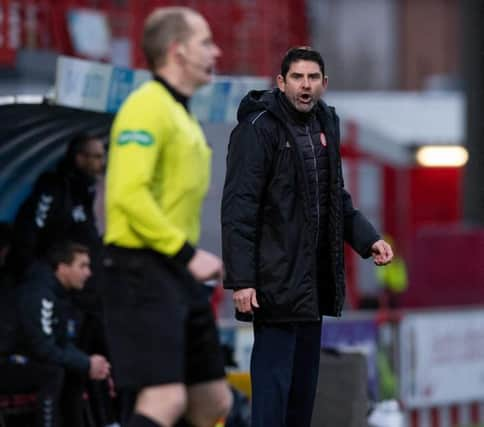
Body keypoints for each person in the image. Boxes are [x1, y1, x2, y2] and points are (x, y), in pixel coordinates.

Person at [221, 46, 394, 427]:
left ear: (324, 84)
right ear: (281, 82)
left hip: (311, 285)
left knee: (302, 397)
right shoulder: (257, 130)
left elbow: (336, 199)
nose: (305, 85)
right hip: (273, 285)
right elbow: (239, 209)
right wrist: (243, 280)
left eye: (313, 78)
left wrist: (368, 240)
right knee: (273, 397)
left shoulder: (324, 125)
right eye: (297, 77)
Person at [102, 7, 232, 427]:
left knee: (213, 401)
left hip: (176, 272)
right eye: (206, 42)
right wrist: (186, 252)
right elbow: (126, 195)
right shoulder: (146, 107)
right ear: (177, 52)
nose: (217, 51)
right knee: (164, 400)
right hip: (141, 269)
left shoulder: (181, 112)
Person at [0, 241, 111, 427]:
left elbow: (60, 343)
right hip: (6, 362)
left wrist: (88, 362)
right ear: (62, 268)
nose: (88, 273)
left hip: (27, 359)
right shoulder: (38, 293)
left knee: (77, 369)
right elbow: (43, 348)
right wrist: (86, 362)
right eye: (82, 266)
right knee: (52, 372)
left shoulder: (61, 295)